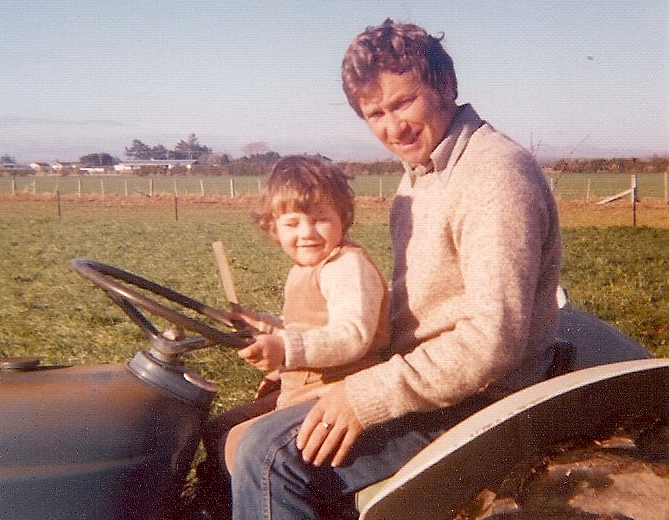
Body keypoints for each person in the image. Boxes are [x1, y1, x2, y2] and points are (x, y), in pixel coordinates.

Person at [228, 19, 562, 520]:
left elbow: (492, 342)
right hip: (427, 379)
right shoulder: (419, 178)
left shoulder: (493, 177)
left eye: (403, 103)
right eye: (375, 114)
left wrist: (362, 396)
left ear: (446, 85)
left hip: (483, 400)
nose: (393, 127)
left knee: (269, 456)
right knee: (227, 433)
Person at [183, 154, 391, 519]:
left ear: (344, 218)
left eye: (321, 219)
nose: (307, 232)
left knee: (246, 445)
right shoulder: (306, 268)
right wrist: (263, 324)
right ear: (273, 228)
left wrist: (285, 349)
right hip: (306, 387)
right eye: (292, 223)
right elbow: (305, 322)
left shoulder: (346, 266)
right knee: (220, 429)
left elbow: (352, 335)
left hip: (339, 391)